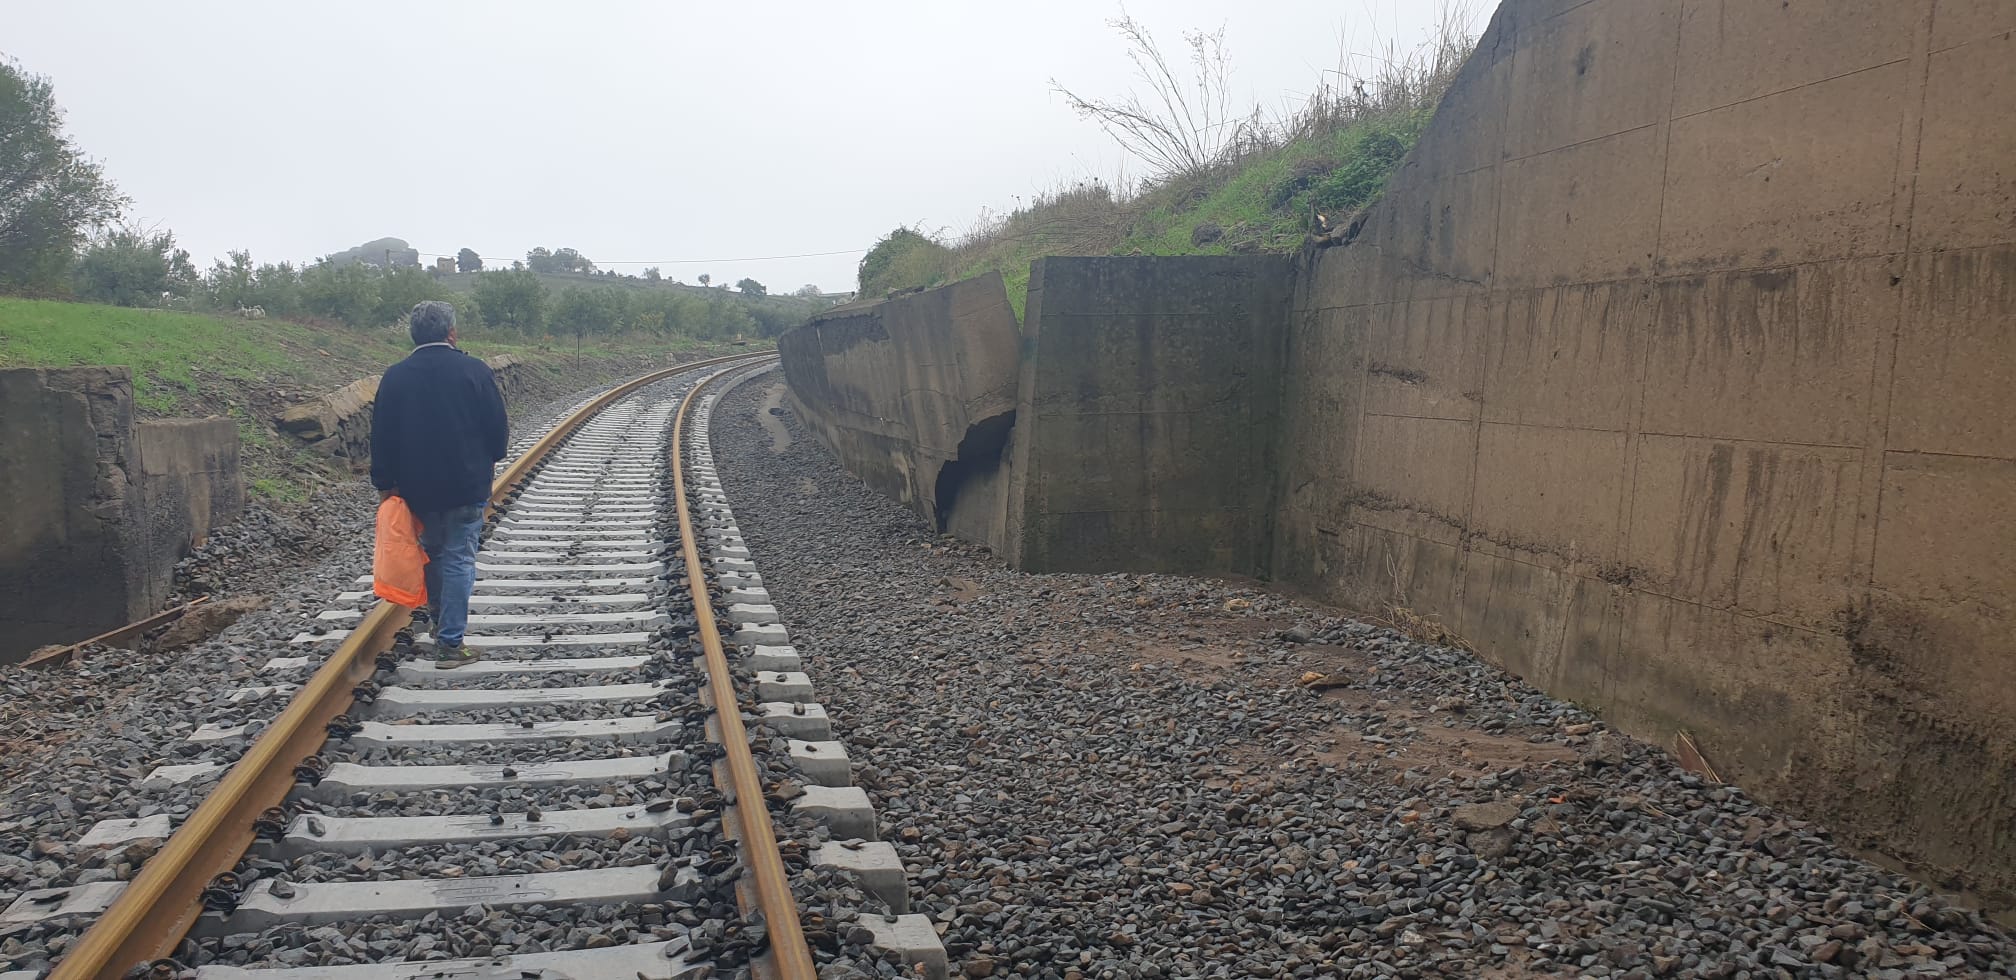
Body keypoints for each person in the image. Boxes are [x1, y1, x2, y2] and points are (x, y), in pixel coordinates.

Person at [369, 301, 508, 667]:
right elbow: (497, 429)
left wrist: (385, 484)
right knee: (460, 556)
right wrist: (492, 458)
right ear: (452, 333)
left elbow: (381, 436)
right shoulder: (474, 371)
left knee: (432, 552)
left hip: (417, 489)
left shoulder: (395, 377)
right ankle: (450, 643)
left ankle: (439, 625)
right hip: (467, 483)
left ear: (413, 335)